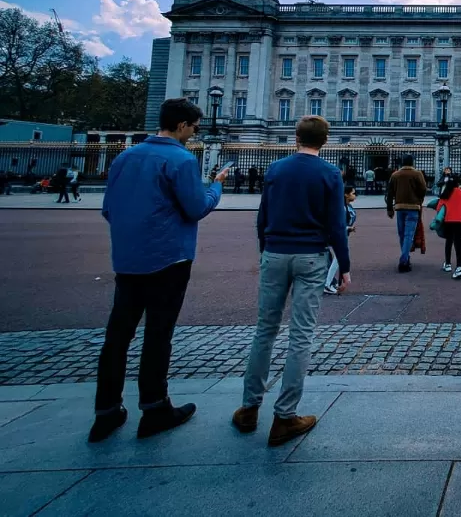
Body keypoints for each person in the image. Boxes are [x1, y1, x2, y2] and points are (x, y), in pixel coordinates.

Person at [89, 98, 228, 443]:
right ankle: (155, 407)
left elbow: (108, 209)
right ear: (182, 126)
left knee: (117, 337)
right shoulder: (180, 159)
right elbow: (197, 208)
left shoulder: (125, 156)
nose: (195, 133)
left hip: (127, 259)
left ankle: (106, 412)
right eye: (194, 127)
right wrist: (217, 186)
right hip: (168, 259)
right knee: (157, 335)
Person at [234, 115, 348, 447]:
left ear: (295, 136)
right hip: (311, 256)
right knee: (301, 334)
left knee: (264, 330)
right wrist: (345, 265)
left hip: (275, 252)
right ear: (325, 141)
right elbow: (336, 225)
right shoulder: (329, 173)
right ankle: (284, 416)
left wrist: (265, 250)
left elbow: (263, 216)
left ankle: (248, 408)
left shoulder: (276, 169)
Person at [386, 155, 427, 272]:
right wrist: (419, 200)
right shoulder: (417, 174)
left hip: (399, 207)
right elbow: (423, 189)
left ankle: (406, 257)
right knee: (409, 234)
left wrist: (389, 208)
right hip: (413, 207)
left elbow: (389, 193)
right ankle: (404, 260)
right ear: (412, 162)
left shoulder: (395, 175)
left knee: (402, 234)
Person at [436, 177, 461, 279]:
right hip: (460, 221)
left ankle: (447, 264)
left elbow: (439, 209)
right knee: (458, 243)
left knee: (449, 242)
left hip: (448, 221)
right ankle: (459, 267)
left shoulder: (445, 194)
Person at [325, 185, 357, 294]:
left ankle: (329, 282)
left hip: (341, 235)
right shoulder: (341, 207)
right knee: (338, 259)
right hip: (336, 236)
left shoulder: (347, 207)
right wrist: (348, 228)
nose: (355, 195)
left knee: (336, 259)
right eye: (352, 193)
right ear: (345, 194)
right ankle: (328, 283)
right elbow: (337, 223)